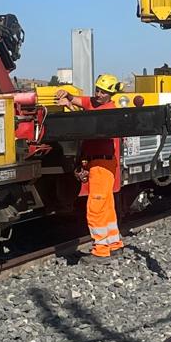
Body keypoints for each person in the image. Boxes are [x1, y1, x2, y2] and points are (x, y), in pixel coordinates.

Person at [57, 74, 125, 260]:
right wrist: (67, 95)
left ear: (111, 94)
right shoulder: (94, 103)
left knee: (95, 208)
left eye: (103, 92)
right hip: (99, 162)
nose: (98, 94)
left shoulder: (110, 111)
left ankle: (101, 251)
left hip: (102, 164)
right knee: (107, 205)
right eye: (97, 89)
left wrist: (72, 111)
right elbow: (80, 100)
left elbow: (88, 124)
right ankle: (114, 243)